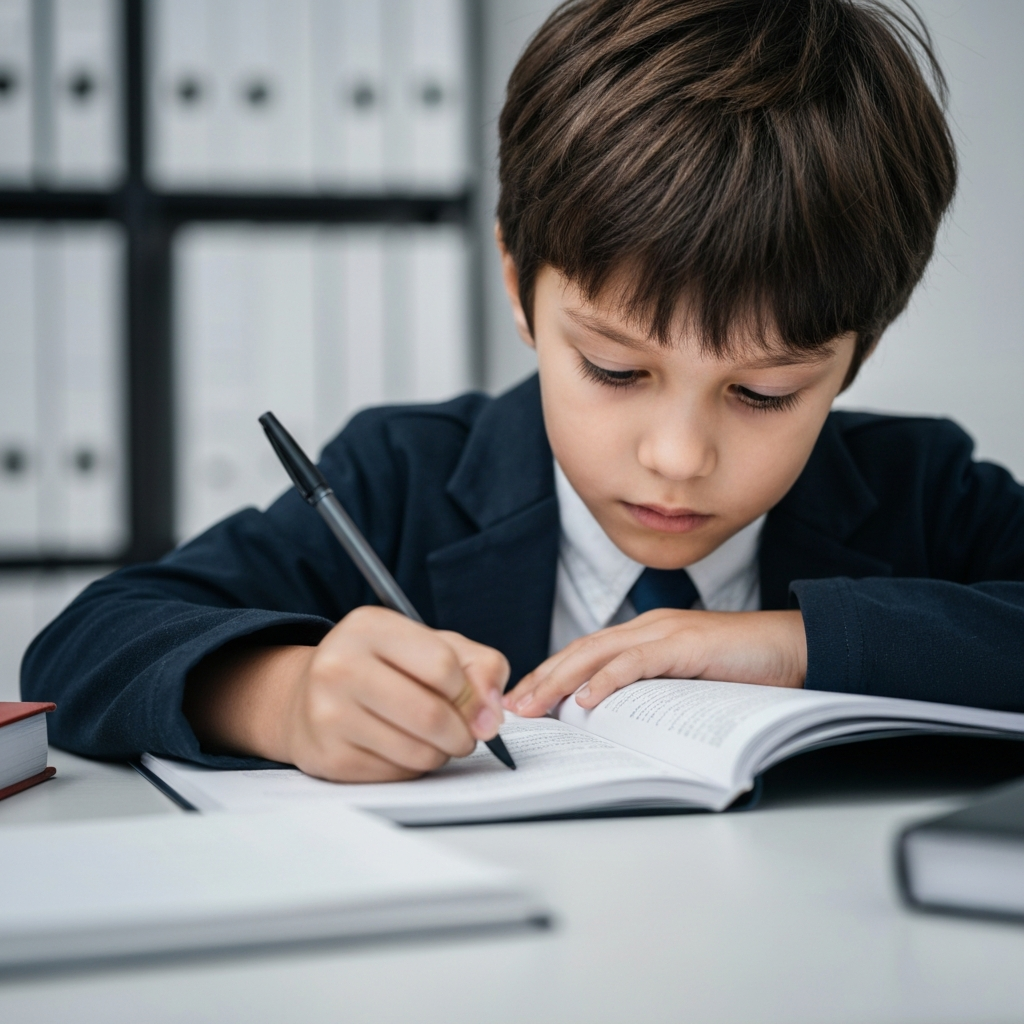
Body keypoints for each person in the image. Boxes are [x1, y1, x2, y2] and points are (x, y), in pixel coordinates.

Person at [22, 0, 1024, 783]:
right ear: (518, 287)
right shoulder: (401, 479)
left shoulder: (923, 493)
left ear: (854, 353)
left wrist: (800, 645)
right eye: (615, 369)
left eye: (762, 392)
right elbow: (84, 645)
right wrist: (281, 697)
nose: (677, 456)